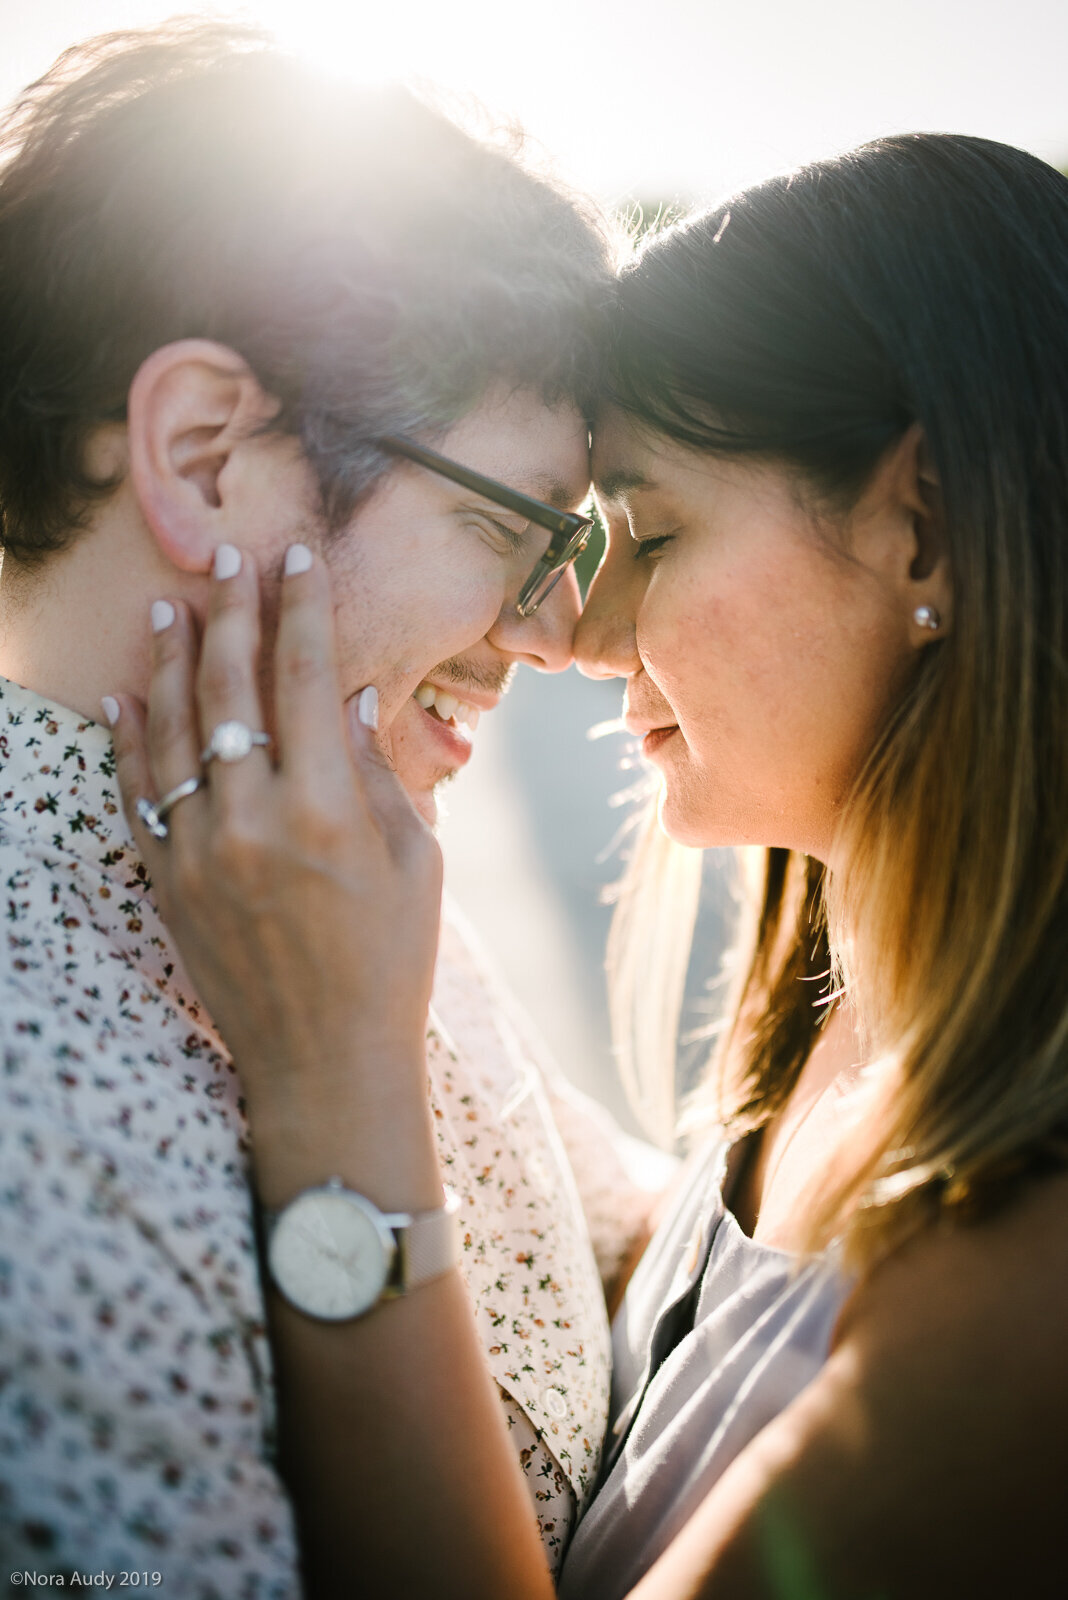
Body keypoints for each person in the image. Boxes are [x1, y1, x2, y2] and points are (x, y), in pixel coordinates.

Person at [112, 129, 1068, 1597]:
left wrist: (337, 1090)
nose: (572, 632)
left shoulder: (1035, 1278)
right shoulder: (842, 986)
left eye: (656, 533)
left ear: (924, 528)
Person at [0, 21, 670, 1590]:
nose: (555, 634)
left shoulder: (320, 844)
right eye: (516, 530)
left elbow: (638, 1250)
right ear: (208, 454)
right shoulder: (33, 1149)